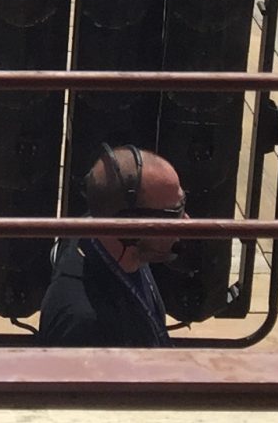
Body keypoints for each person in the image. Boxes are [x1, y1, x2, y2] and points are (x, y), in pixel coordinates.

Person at [37, 143, 186, 348]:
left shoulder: (110, 240)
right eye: (174, 213)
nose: (186, 221)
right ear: (131, 224)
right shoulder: (83, 320)